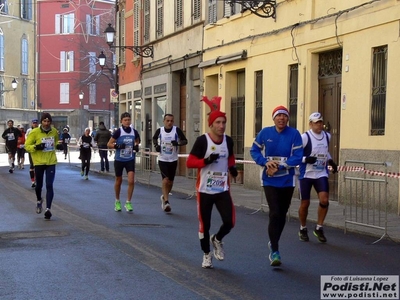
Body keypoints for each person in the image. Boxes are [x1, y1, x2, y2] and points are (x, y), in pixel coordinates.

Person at [186, 96, 238, 269]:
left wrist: (232, 168)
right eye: (218, 122)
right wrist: (206, 161)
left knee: (230, 221)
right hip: (205, 189)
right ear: (211, 124)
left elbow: (229, 156)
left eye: (223, 122)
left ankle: (217, 239)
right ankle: (206, 254)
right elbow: (190, 162)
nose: (222, 126)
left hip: (222, 189)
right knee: (204, 224)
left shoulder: (228, 140)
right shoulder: (203, 141)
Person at [250, 105, 303, 267]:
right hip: (269, 179)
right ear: (273, 118)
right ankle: (275, 250)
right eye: (278, 116)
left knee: (282, 213)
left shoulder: (294, 134)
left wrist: (280, 166)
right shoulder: (265, 133)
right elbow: (254, 151)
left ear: (288, 118)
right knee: (274, 213)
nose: (281, 118)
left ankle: (273, 242)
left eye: (284, 116)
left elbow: (298, 156)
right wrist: (266, 162)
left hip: (287, 179)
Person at [298, 112, 338, 243]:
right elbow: (294, 154)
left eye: (321, 122)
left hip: (321, 173)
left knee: (325, 200)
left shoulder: (327, 136)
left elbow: (325, 151)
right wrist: (305, 159)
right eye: (316, 123)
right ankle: (303, 228)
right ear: (310, 124)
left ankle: (319, 227)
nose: (319, 125)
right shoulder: (305, 137)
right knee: (305, 203)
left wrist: (331, 161)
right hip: (307, 174)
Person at [25, 112, 64, 220]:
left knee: (49, 185)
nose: (46, 123)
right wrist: (36, 147)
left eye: (48, 121)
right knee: (38, 186)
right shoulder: (34, 132)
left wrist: (59, 146)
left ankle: (48, 209)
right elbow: (27, 146)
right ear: (41, 122)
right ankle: (39, 200)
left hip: (51, 162)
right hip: (39, 162)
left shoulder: (54, 131)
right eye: (44, 121)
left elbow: (55, 142)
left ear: (51, 122)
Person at [152, 114, 188, 213]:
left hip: (173, 159)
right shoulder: (160, 131)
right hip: (163, 159)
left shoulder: (176, 130)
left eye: (171, 121)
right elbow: (154, 138)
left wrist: (178, 143)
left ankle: (164, 196)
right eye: (167, 121)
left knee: (171, 182)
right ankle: (167, 202)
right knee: (165, 180)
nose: (169, 123)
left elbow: (185, 141)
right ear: (164, 121)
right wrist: (156, 146)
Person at [107, 112, 140, 212]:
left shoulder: (134, 132)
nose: (127, 122)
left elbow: (137, 141)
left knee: (131, 180)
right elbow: (109, 143)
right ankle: (117, 201)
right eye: (125, 120)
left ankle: (128, 202)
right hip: (119, 159)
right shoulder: (118, 132)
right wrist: (117, 146)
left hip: (130, 159)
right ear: (121, 121)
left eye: (129, 120)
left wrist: (136, 146)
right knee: (119, 180)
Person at [26, 119, 39, 187]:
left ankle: (36, 179)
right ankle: (33, 180)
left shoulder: (40, 130)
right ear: (32, 124)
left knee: (37, 165)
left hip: (39, 150)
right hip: (31, 149)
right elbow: (27, 139)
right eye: (34, 123)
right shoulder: (29, 131)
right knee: (32, 165)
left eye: (36, 123)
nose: (35, 124)